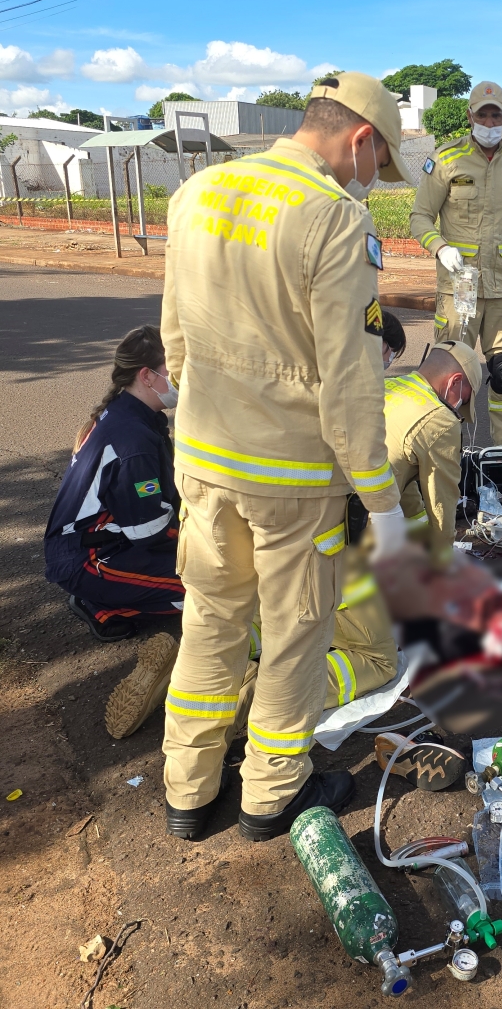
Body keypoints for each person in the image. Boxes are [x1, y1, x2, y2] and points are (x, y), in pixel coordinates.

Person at [159, 72, 412, 843]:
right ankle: (272, 794)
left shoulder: (196, 191)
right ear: (360, 138)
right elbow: (349, 384)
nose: (376, 179)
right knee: (296, 637)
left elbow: (175, 343)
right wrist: (382, 501)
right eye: (381, 162)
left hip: (203, 463)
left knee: (209, 623)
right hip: (291, 485)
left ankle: (187, 792)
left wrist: (208, 420)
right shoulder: (336, 220)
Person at [103, 315, 413, 742]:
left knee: (248, 626)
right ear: (375, 348)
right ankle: (255, 695)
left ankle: (188, 673)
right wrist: (388, 511)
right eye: (388, 354)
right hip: (324, 554)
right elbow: (363, 464)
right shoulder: (349, 385)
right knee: (374, 659)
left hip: (242, 534)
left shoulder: (267, 365)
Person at [410, 81, 502, 446]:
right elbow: (420, 218)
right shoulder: (445, 160)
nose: (489, 121)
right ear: (469, 115)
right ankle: (448, 458)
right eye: (482, 114)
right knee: (451, 375)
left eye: (496, 114)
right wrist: (440, 248)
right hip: (460, 285)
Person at [44, 326, 184, 643]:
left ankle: (113, 593)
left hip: (105, 542)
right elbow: (150, 531)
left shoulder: (131, 414)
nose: (183, 377)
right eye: (175, 369)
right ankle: (101, 604)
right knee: (213, 591)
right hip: (89, 559)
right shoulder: (132, 439)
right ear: (146, 376)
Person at [385, 341, 482, 562]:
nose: (458, 408)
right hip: (364, 523)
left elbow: (397, 471)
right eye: (464, 400)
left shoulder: (388, 385)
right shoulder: (439, 420)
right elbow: (443, 503)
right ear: (455, 381)